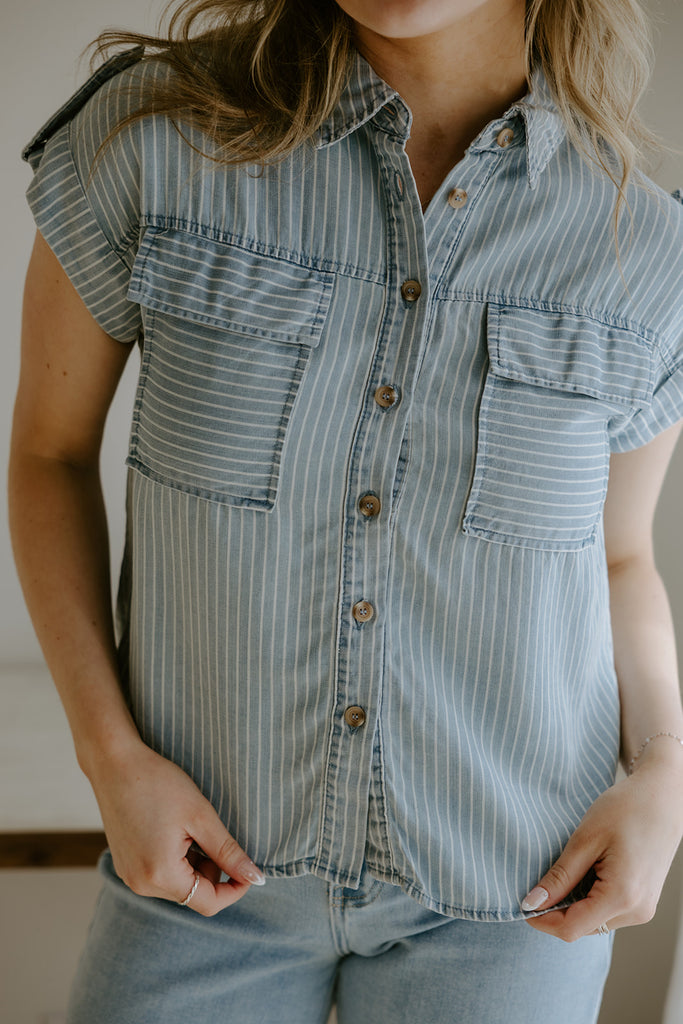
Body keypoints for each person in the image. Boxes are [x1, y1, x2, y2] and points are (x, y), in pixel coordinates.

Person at [9, 0, 683, 1021]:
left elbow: (618, 557)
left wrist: (665, 772)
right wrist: (110, 759)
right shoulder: (151, 138)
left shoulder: (646, 244)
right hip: (198, 877)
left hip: (515, 896)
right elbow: (47, 456)